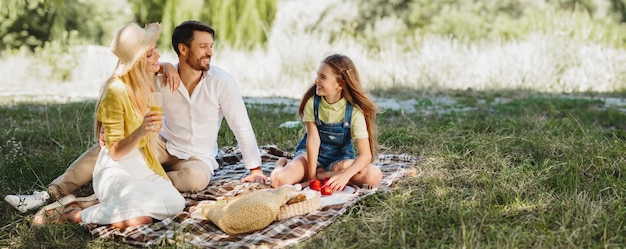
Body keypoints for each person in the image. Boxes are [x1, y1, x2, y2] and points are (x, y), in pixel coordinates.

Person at [5, 20, 268, 213]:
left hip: (198, 156)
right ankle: (49, 194)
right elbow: (126, 75)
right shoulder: (158, 75)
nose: (210, 52)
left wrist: (254, 168)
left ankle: (101, 196)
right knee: (104, 150)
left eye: (211, 46)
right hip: (161, 145)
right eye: (203, 47)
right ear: (183, 49)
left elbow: (241, 125)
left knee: (194, 180)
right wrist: (111, 125)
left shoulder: (222, 82)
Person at [53, 22, 186, 228]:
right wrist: (141, 130)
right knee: (140, 217)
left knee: (176, 203)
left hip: (142, 165)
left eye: (155, 49)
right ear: (137, 61)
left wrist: (169, 66)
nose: (158, 55)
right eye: (150, 53)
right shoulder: (115, 91)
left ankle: (109, 208)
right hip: (115, 169)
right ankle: (76, 214)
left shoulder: (143, 78)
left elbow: (161, 65)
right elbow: (114, 153)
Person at [270, 54, 383, 192]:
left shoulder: (354, 112)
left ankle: (323, 174)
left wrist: (345, 176)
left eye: (323, 77)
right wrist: (311, 178)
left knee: (374, 176)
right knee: (281, 181)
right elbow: (313, 140)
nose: (316, 80)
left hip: (340, 158)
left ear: (340, 84)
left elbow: (366, 155)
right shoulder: (312, 103)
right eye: (317, 75)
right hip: (310, 155)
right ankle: (280, 166)